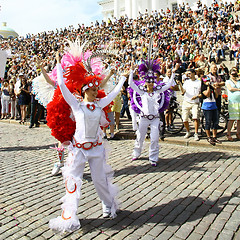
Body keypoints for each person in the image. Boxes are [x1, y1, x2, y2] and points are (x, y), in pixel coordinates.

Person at [49, 52, 128, 233]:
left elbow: (115, 92)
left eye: (96, 90)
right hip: (78, 150)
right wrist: (58, 65)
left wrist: (123, 79)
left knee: (99, 180)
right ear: (85, 90)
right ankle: (69, 213)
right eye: (92, 90)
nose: (95, 92)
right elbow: (61, 85)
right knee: (73, 181)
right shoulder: (76, 105)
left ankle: (108, 205)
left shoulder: (99, 104)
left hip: (96, 149)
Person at [129, 60, 174, 167]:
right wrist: (131, 71)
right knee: (140, 137)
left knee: (154, 138)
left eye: (152, 81)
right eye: (148, 81)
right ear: (145, 82)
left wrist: (173, 73)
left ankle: (153, 158)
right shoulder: (142, 91)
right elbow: (131, 84)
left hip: (155, 118)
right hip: (144, 118)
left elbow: (168, 85)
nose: (150, 84)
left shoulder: (157, 90)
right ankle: (136, 153)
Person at [192, 76, 221, 145]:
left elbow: (216, 96)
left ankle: (214, 136)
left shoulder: (211, 88)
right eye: (206, 81)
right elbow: (207, 94)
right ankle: (208, 137)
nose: (207, 82)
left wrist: (215, 89)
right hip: (207, 107)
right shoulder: (203, 89)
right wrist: (208, 87)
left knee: (215, 122)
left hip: (214, 105)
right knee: (208, 122)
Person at [177, 69, 201, 141]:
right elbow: (183, 91)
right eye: (187, 74)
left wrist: (196, 96)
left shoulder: (199, 82)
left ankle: (196, 133)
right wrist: (180, 85)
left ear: (194, 73)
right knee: (184, 119)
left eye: (190, 73)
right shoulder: (187, 82)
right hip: (186, 101)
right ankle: (188, 131)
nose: (188, 75)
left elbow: (201, 93)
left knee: (195, 117)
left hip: (195, 102)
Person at [225, 67, 240, 141]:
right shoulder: (228, 81)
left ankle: (238, 133)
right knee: (232, 119)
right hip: (233, 102)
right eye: (233, 74)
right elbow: (230, 89)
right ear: (230, 74)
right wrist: (238, 89)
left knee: (239, 119)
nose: (234, 75)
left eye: (235, 74)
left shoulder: (239, 81)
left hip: (239, 101)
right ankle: (228, 133)